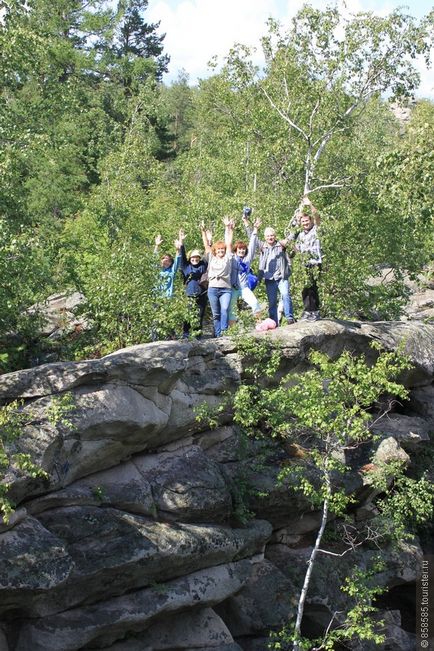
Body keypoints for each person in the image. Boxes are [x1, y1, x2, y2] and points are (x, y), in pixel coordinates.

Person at [242, 214, 295, 327]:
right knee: (272, 302)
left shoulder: (281, 245)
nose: (270, 238)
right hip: (269, 278)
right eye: (268, 236)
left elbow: (291, 236)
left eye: (272, 235)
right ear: (265, 237)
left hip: (281, 276)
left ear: (275, 236)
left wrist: (297, 221)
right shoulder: (262, 246)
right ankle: (274, 323)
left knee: (285, 294)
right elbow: (252, 237)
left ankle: (290, 317)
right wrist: (247, 223)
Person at [201, 217, 239, 337]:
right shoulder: (211, 258)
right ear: (215, 251)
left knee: (224, 309)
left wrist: (228, 228)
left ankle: (224, 331)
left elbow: (229, 243)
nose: (221, 251)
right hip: (212, 289)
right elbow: (206, 245)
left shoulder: (228, 258)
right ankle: (218, 335)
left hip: (225, 289)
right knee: (216, 314)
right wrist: (203, 231)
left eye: (222, 249)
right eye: (219, 249)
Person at [289, 196, 322, 321]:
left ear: (310, 221)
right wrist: (292, 246)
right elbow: (297, 248)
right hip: (305, 263)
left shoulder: (315, 230)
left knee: (312, 287)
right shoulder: (301, 234)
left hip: (315, 262)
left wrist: (310, 204)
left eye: (307, 221)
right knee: (305, 288)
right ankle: (308, 311)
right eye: (303, 222)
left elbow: (317, 217)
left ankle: (315, 311)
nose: (305, 223)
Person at [228, 215, 263, 325]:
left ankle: (259, 324)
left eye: (243, 249)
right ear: (236, 250)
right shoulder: (231, 258)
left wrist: (256, 230)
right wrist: (230, 229)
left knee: (255, 303)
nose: (242, 251)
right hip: (233, 288)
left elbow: (252, 245)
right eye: (240, 249)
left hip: (244, 288)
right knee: (231, 309)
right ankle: (232, 330)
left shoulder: (247, 260)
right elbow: (228, 244)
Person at [178, 229, 208, 338]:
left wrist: (208, 240)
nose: (194, 259)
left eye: (196, 257)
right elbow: (182, 254)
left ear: (199, 258)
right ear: (190, 258)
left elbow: (208, 252)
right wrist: (182, 241)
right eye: (193, 257)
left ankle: (198, 335)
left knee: (199, 315)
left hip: (202, 294)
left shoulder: (203, 265)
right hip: (189, 295)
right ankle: (185, 333)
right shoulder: (186, 267)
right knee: (188, 315)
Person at [154, 233, 181, 298]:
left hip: (167, 298)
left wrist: (178, 249)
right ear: (161, 261)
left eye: (169, 261)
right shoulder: (156, 270)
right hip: (155, 297)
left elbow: (177, 260)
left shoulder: (171, 271)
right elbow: (154, 259)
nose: (167, 262)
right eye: (165, 260)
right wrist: (157, 246)